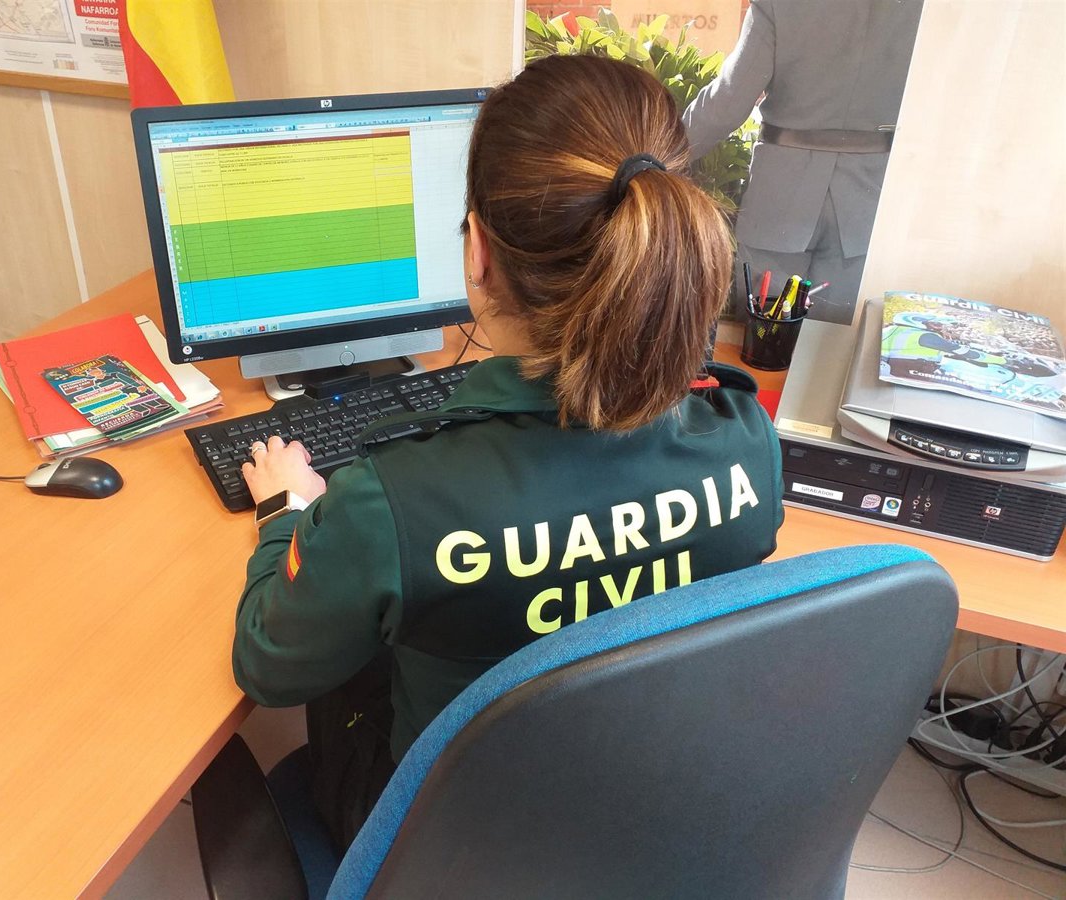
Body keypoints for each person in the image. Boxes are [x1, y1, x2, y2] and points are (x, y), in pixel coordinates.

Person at [232, 54, 785, 850]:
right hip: (652, 816)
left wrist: (286, 511)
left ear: (479, 253)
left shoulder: (397, 500)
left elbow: (269, 664)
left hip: (450, 851)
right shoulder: (744, 438)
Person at [683, 0, 925, 325]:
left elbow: (727, 102)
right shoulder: (923, 8)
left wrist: (662, 155)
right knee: (835, 342)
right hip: (869, 199)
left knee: (765, 336)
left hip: (782, 192)